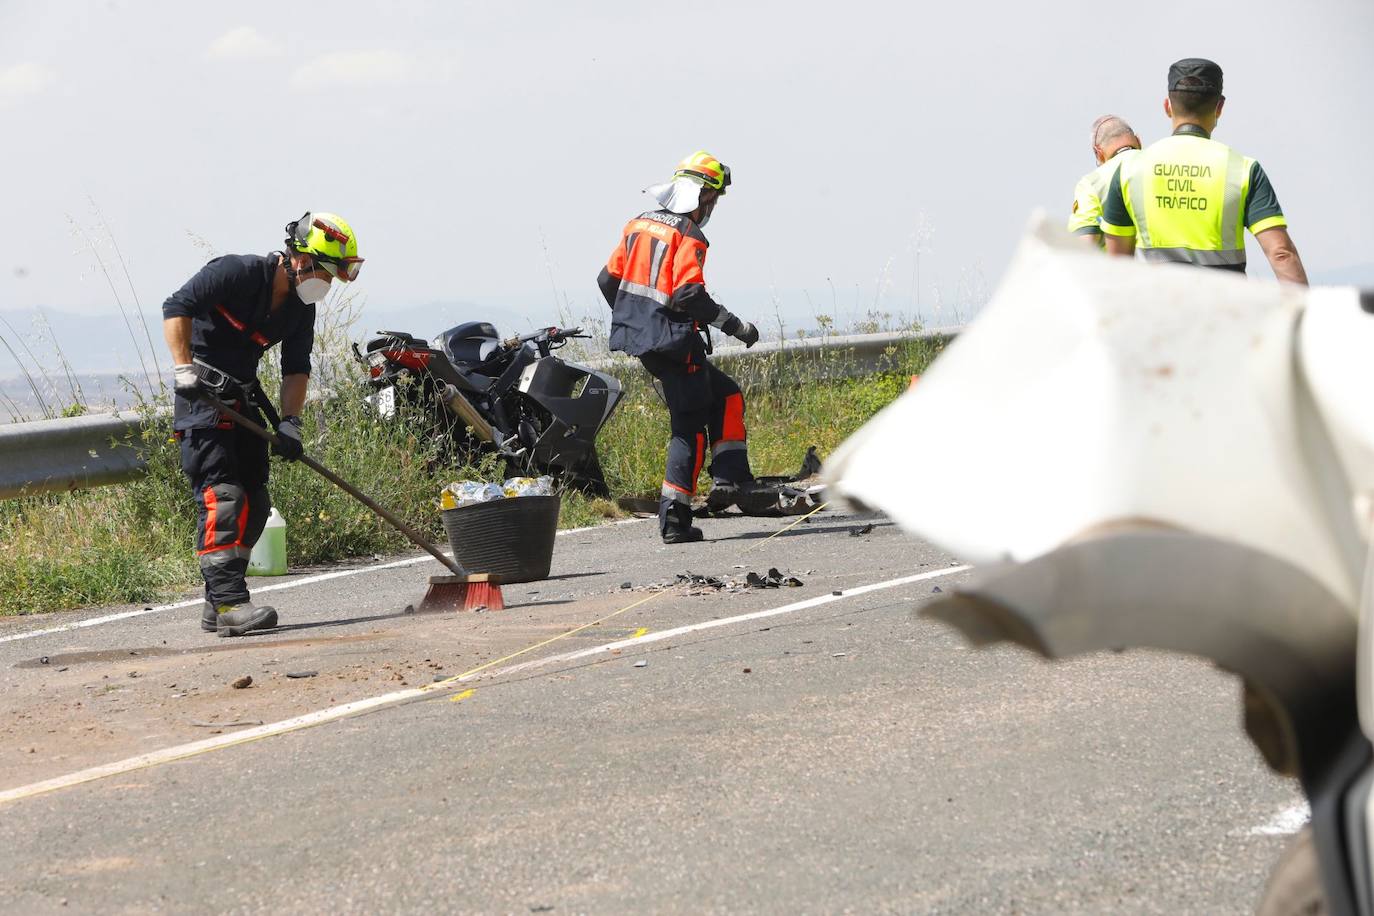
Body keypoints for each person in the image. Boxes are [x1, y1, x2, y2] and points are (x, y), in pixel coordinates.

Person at [162, 212, 362, 636]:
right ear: (298, 257)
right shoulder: (236, 272)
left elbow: (296, 368)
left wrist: (291, 423)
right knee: (224, 497)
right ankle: (232, 603)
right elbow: (176, 306)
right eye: (324, 271)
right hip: (203, 401)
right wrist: (183, 369)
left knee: (255, 506)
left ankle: (217, 600)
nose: (325, 284)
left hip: (243, 399)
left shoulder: (298, 309)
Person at [597, 151, 762, 544]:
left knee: (725, 393)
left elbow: (607, 280)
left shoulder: (638, 223)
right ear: (702, 194)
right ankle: (675, 521)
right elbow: (689, 293)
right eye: (714, 199)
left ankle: (730, 477)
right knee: (688, 427)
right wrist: (736, 326)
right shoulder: (689, 234)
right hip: (672, 343)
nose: (713, 207)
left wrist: (638, 321)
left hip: (646, 342)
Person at [1100, 58, 1307, 284]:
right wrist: (1306, 314)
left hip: (1156, 312)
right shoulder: (1244, 170)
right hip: (1227, 313)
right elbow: (1280, 253)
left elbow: (1117, 267)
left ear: (1167, 106)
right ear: (1219, 107)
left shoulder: (1129, 170)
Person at [1067, 115, 1141, 249]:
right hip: (1170, 266)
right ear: (1138, 141)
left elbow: (1084, 245)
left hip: (1119, 268)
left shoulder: (1091, 184)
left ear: (1098, 153)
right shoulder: (1160, 167)